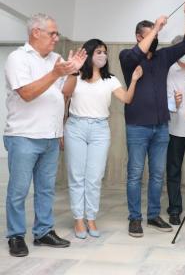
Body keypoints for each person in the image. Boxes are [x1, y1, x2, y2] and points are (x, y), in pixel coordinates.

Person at [4, 13, 86, 257]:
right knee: (19, 190)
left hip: (51, 136)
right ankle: (16, 236)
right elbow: (27, 93)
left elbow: (66, 93)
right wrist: (55, 73)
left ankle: (43, 232)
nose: (56, 38)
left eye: (56, 33)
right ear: (35, 33)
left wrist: (73, 72)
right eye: (52, 33)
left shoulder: (56, 59)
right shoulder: (17, 58)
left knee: (46, 189)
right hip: (23, 136)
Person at [119, 0, 185, 237]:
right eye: (149, 34)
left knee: (158, 175)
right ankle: (135, 218)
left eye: (155, 33)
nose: (155, 37)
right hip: (137, 127)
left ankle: (153, 215)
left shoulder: (163, 57)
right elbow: (138, 51)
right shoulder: (128, 57)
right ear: (138, 37)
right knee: (134, 174)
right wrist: (156, 27)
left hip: (161, 127)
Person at [62, 39, 143, 239]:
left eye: (105, 52)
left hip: (100, 129)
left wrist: (133, 80)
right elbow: (65, 95)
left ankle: (91, 218)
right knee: (77, 176)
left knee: (95, 177)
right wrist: (60, 130)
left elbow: (126, 99)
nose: (103, 55)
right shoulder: (76, 76)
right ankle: (78, 219)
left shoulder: (111, 79)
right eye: (98, 51)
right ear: (89, 54)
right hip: (76, 127)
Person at [166, 35, 185, 225]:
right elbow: (165, 101)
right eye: (182, 49)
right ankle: (175, 209)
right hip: (175, 129)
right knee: (174, 171)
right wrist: (174, 103)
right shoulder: (169, 72)